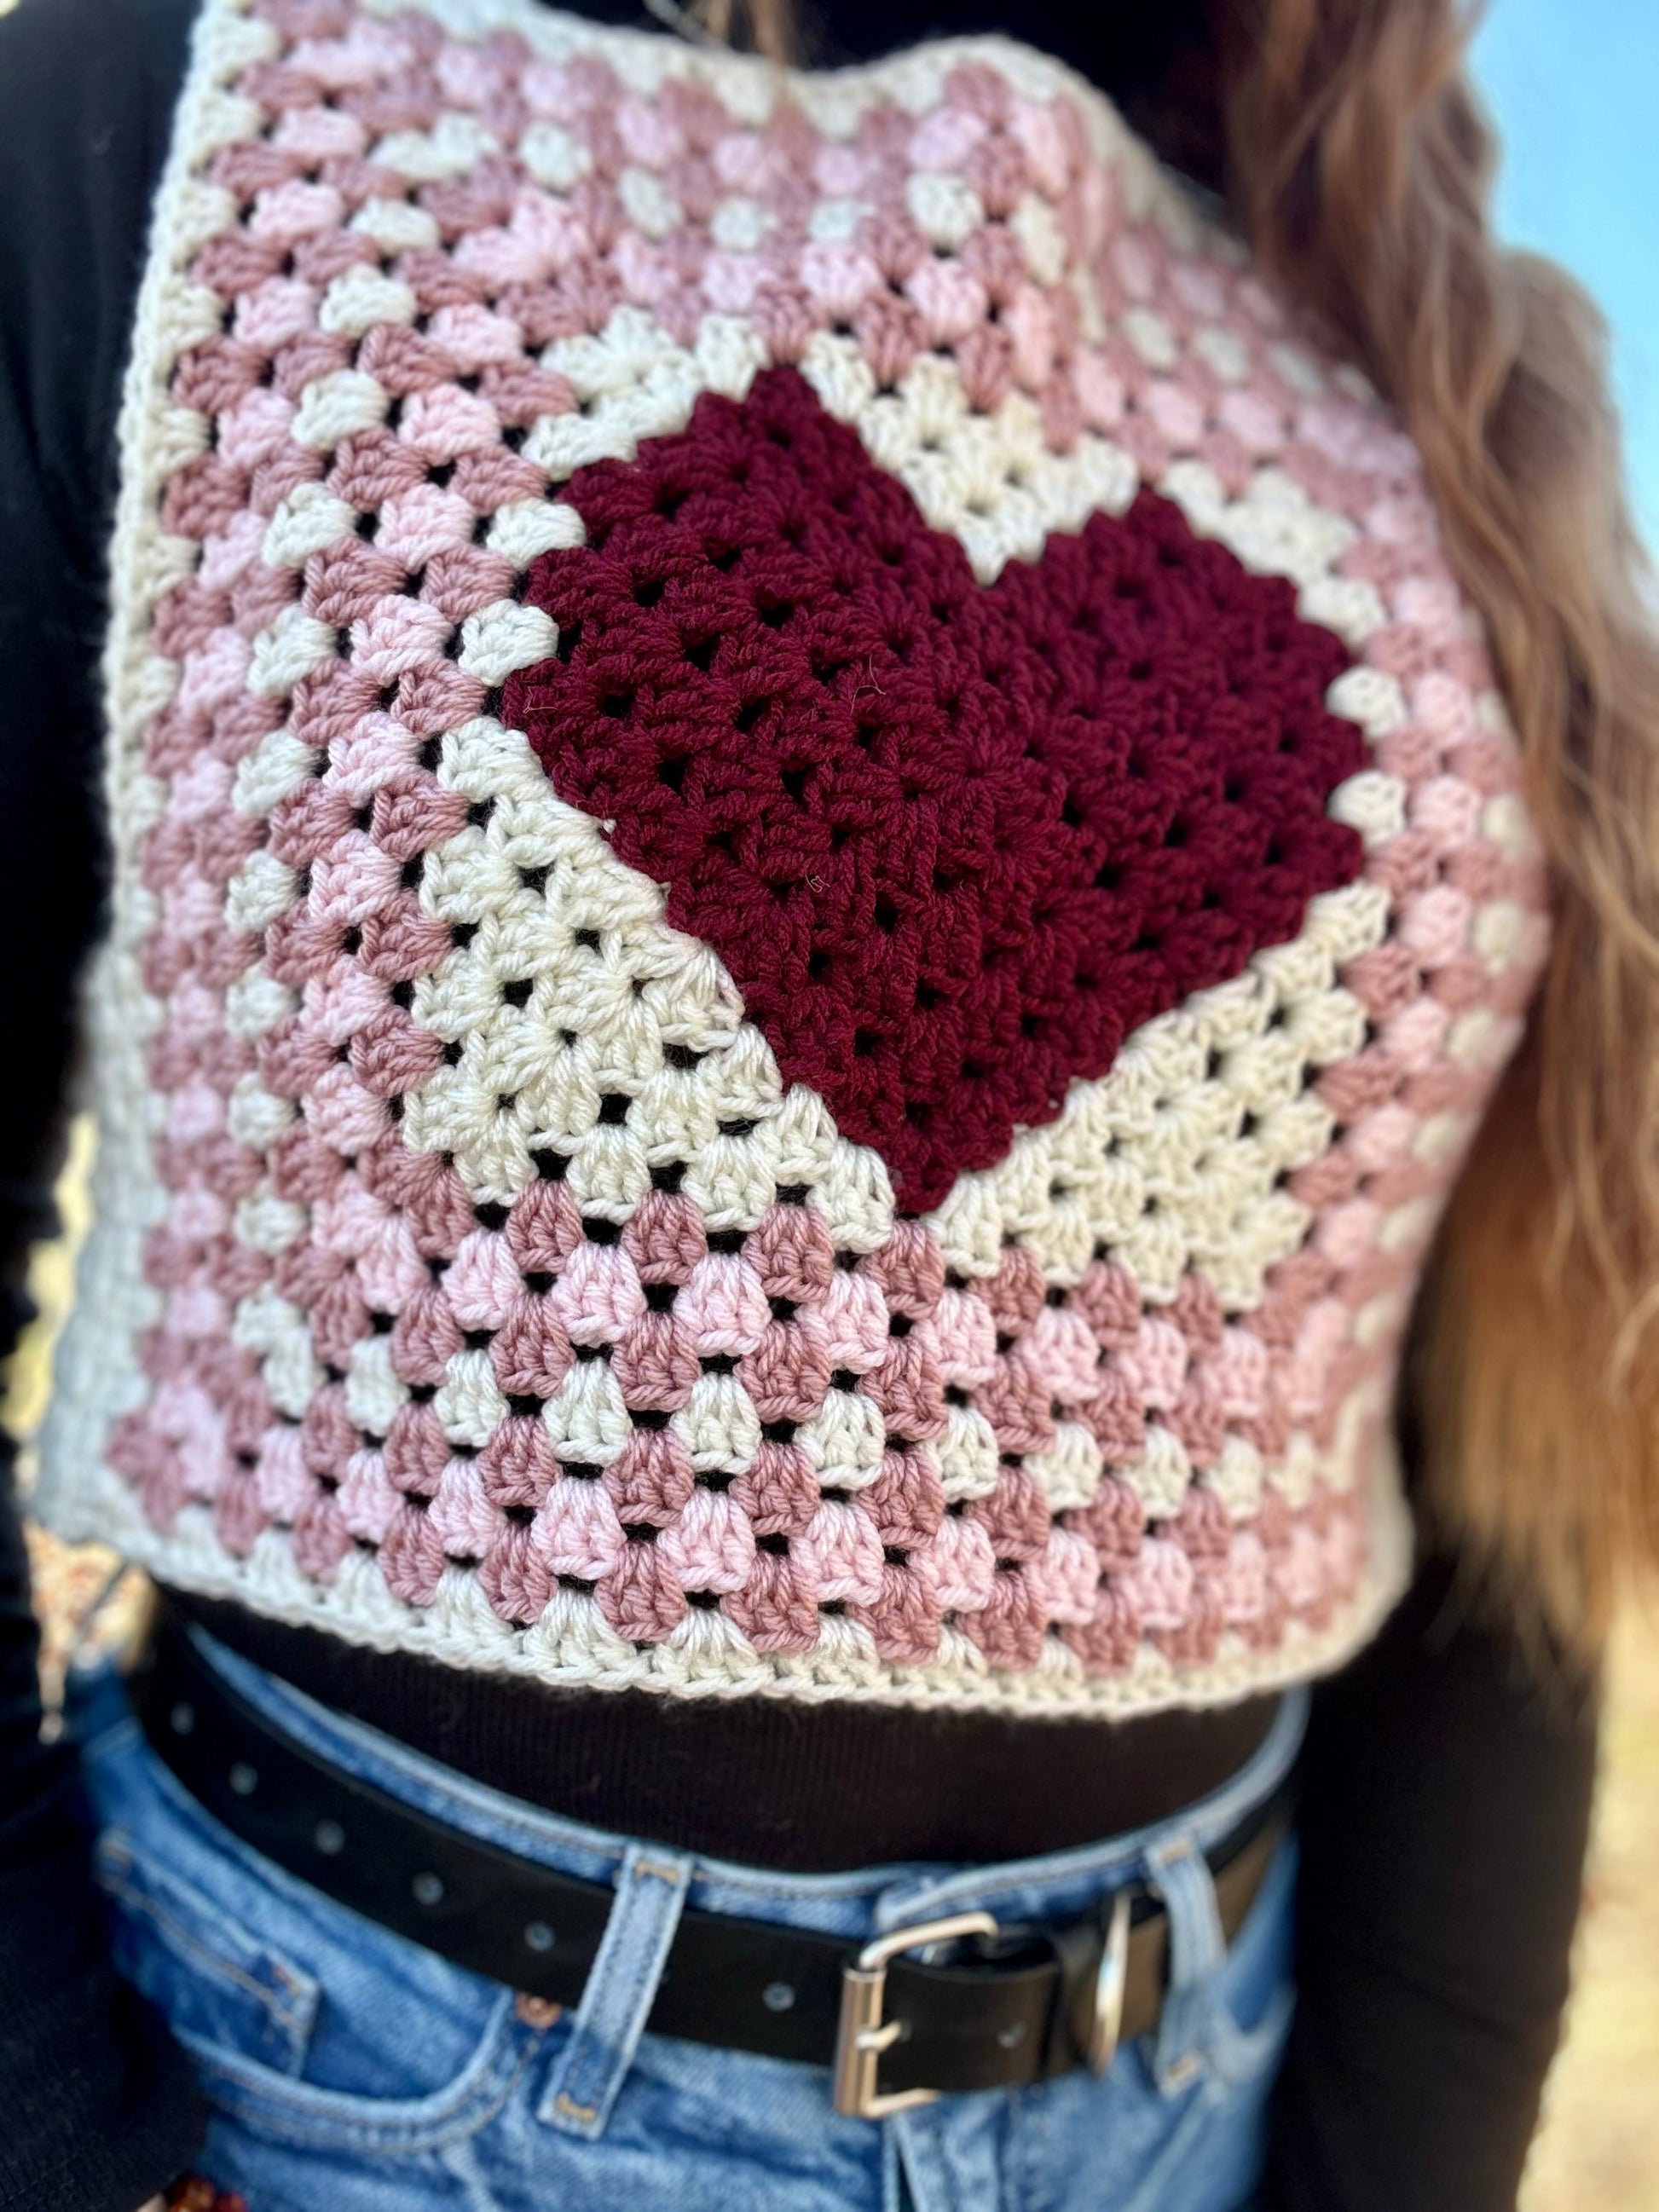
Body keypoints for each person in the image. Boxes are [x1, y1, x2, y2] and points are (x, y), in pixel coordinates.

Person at [2, 0, 1651, 2205]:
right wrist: (62, 2137)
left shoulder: (1423, 381)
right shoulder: (236, 125)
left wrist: (1404, 2161)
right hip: (344, 2101)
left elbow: (1484, 1487)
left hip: (1189, 2102)